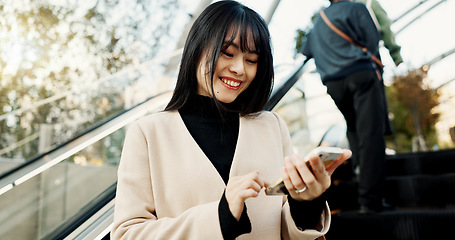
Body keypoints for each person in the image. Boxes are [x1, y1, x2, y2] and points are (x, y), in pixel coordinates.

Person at [110, 1, 351, 239]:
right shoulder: (148, 133)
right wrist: (221, 215)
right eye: (227, 53)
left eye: (251, 60)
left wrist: (306, 202)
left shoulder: (272, 126)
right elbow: (127, 234)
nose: (239, 69)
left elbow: (286, 231)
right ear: (197, 49)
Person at [300, 0, 389, 213]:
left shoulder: (318, 21)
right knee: (370, 134)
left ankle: (359, 175)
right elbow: (372, 39)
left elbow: (306, 51)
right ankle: (370, 201)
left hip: (334, 83)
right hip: (360, 74)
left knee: (354, 128)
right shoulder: (356, 8)